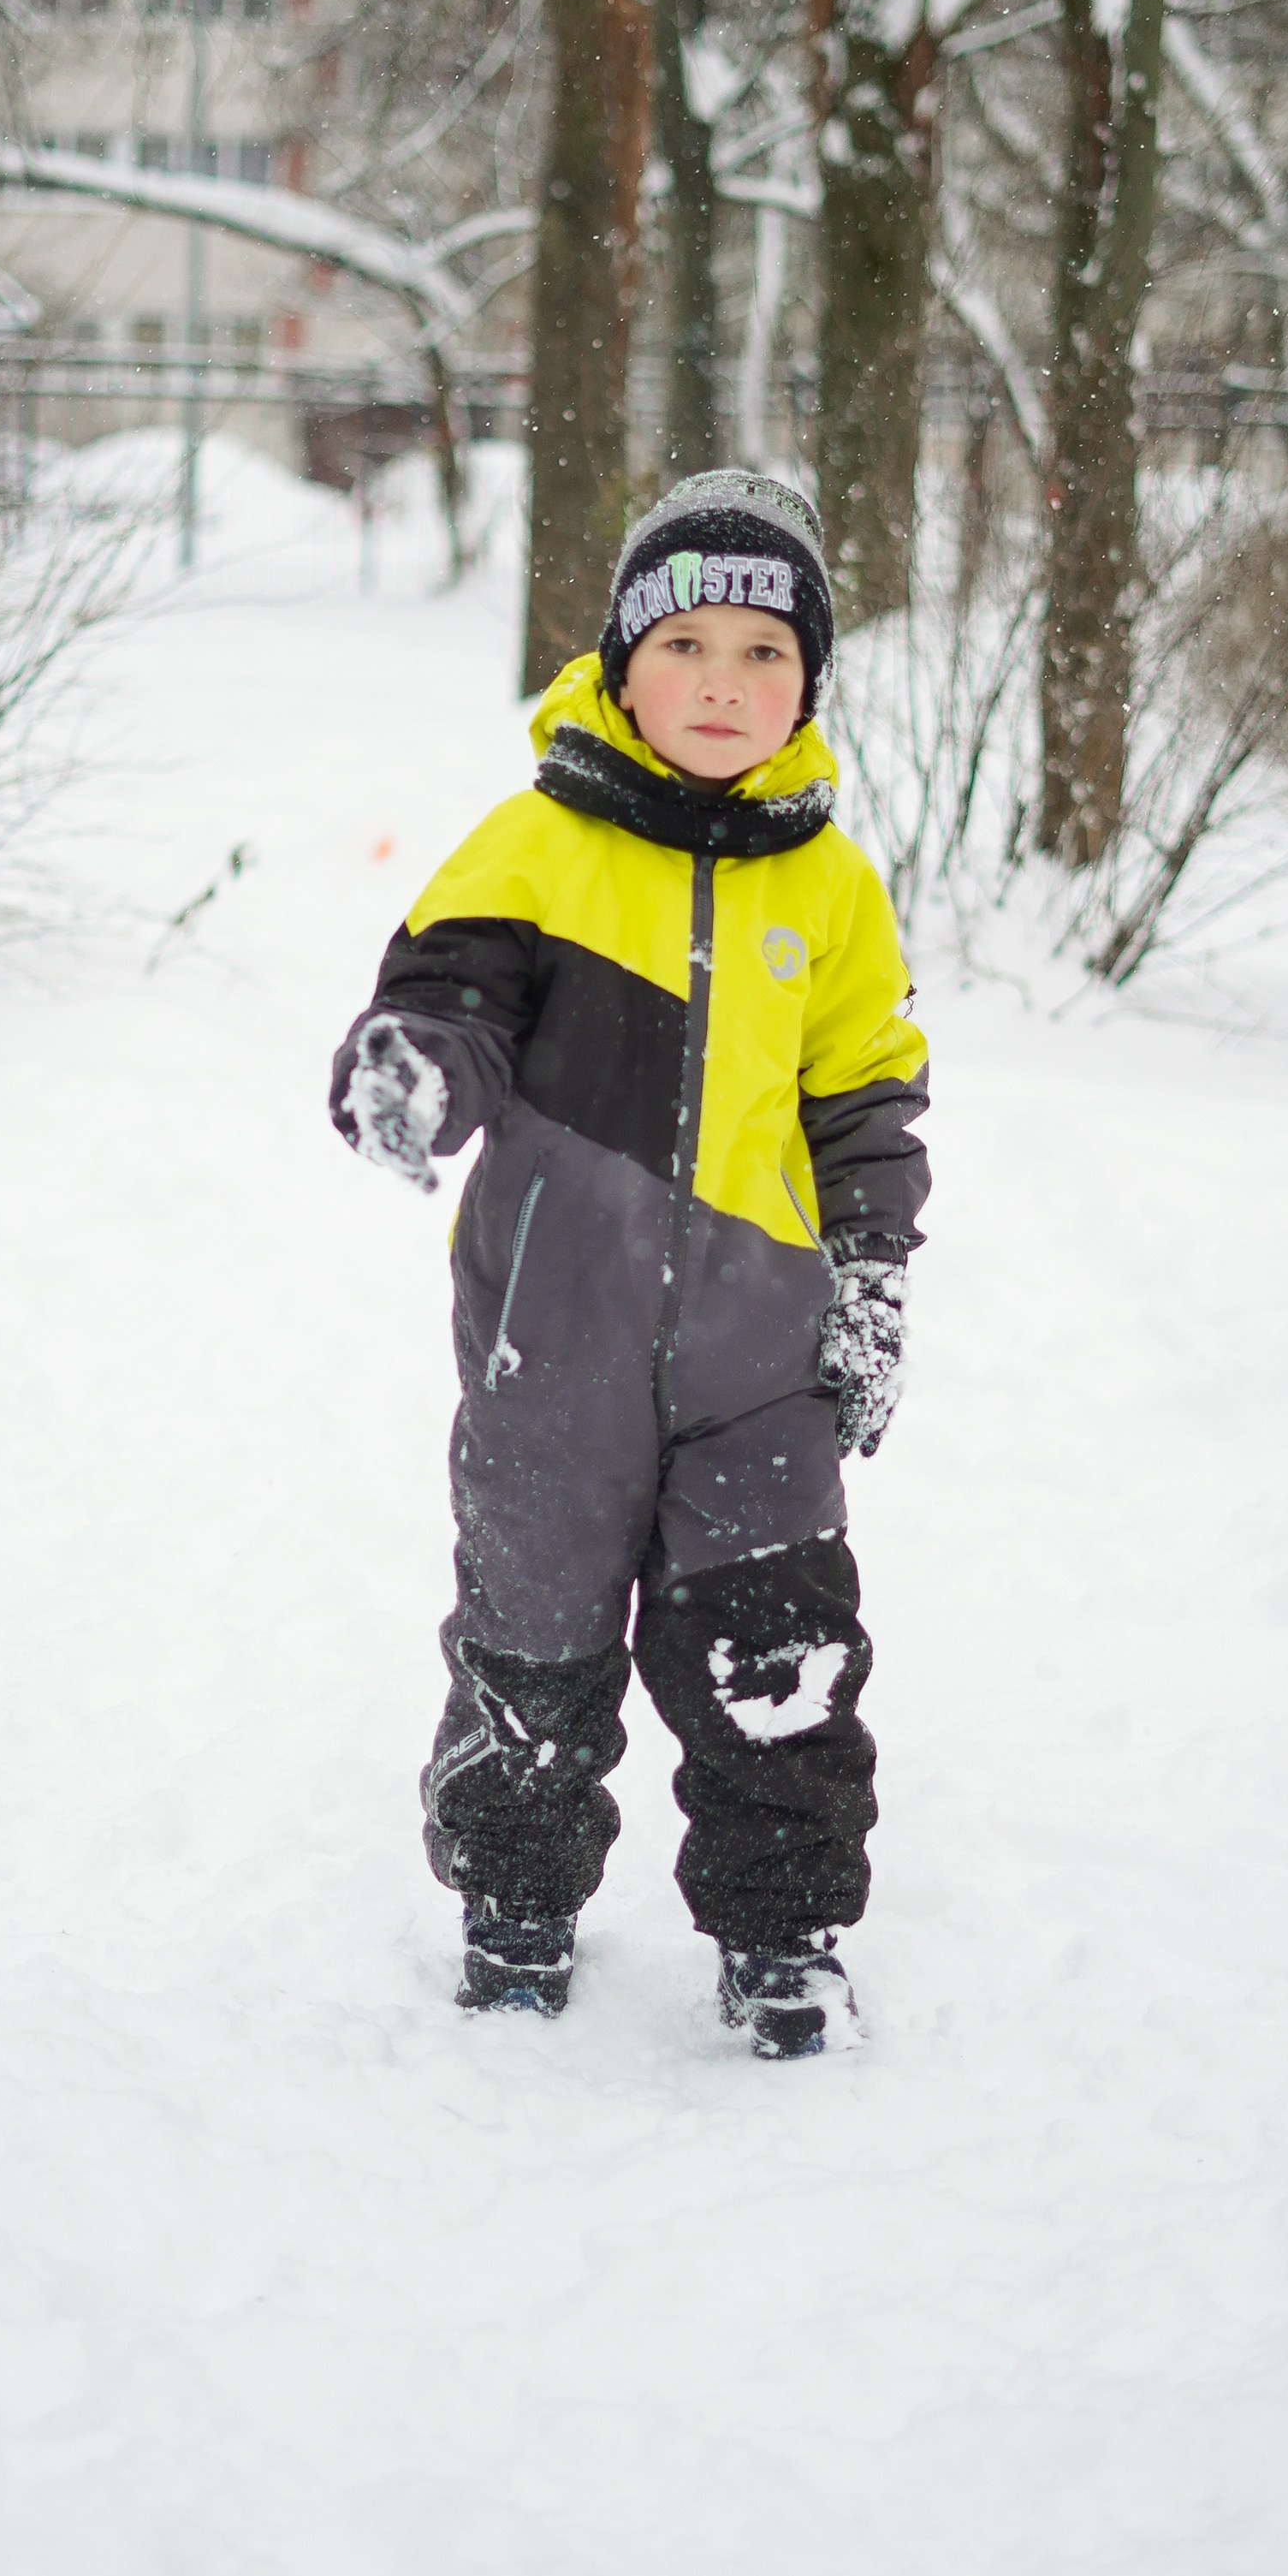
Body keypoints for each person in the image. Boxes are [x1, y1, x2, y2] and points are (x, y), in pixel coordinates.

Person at [329, 471, 929, 2059]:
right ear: (616, 661)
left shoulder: (833, 885)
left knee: (779, 1657)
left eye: (764, 654)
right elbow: (447, 992)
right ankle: (516, 1895)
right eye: (689, 649)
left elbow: (869, 1099)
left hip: (758, 1368)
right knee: (532, 1638)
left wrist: (870, 1281)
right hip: (553, 1349)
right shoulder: (535, 848)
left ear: (808, 683)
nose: (725, 685)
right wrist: (411, 1066)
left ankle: (784, 1929)